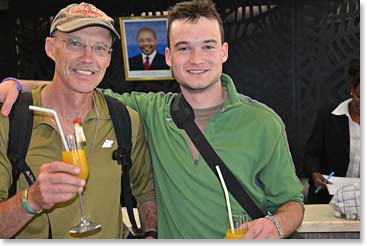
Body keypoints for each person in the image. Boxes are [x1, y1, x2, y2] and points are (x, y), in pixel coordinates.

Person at [0, 0, 304, 239]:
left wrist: (276, 226)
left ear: (223, 52)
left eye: (208, 47)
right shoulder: (149, 111)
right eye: (184, 48)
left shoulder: (264, 123)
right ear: (169, 57)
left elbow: (292, 203)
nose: (197, 60)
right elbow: (78, 84)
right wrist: (15, 84)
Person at [0, 2, 156, 239]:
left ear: (108, 58)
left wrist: (150, 234)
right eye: (75, 44)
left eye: (99, 48)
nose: (87, 58)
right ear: (51, 48)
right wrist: (31, 200)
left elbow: (146, 192)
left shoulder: (125, 120)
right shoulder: (11, 120)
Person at [304, 60, 360, 204]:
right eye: (359, 96)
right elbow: (311, 154)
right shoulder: (328, 117)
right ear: (352, 91)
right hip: (328, 198)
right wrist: (314, 173)